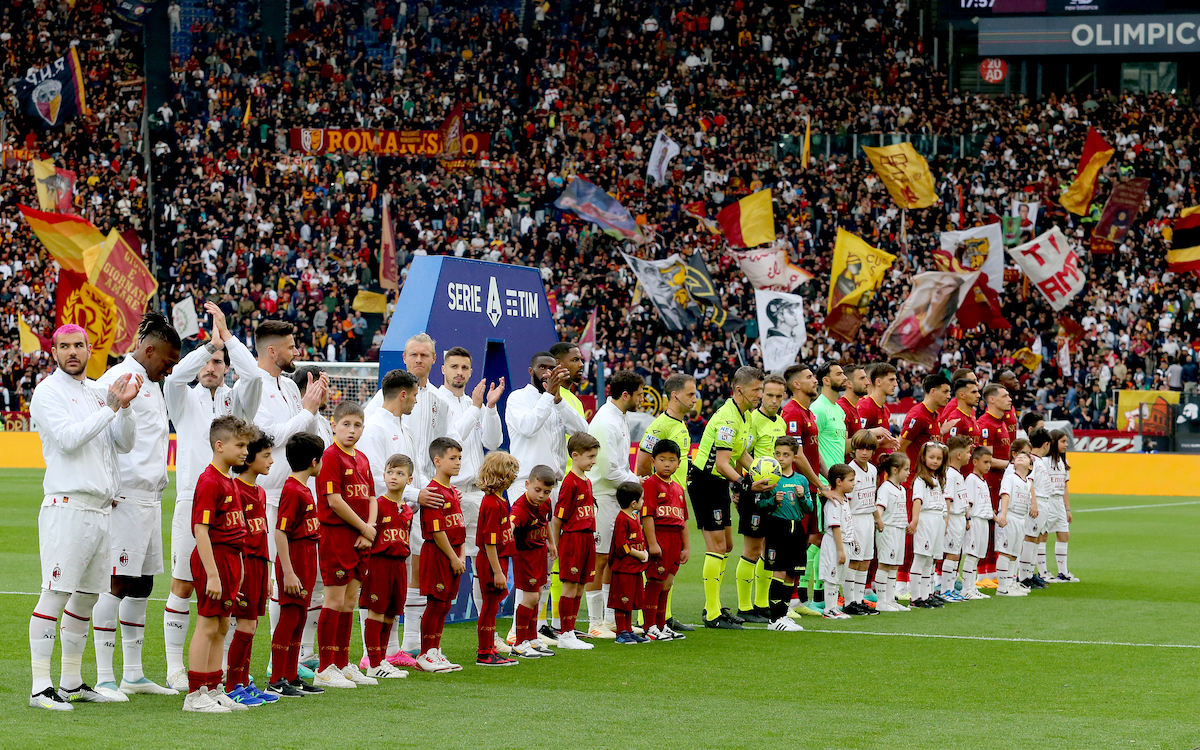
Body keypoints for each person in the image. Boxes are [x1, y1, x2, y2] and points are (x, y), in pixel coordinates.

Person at [27, 324, 141, 711]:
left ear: (90, 349)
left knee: (88, 597)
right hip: (68, 504)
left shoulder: (96, 392)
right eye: (64, 346)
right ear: (54, 352)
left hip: (101, 509)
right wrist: (111, 407)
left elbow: (124, 443)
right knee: (56, 593)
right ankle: (41, 687)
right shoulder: (46, 392)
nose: (72, 352)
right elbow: (68, 439)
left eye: (78, 345)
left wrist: (123, 408)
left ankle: (72, 681)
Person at [163, 303, 262, 692]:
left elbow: (253, 374)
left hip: (232, 498)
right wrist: (208, 346)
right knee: (184, 585)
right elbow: (174, 377)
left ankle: (216, 671)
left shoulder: (237, 402)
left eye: (219, 361)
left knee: (229, 587)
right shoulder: (183, 399)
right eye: (209, 360)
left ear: (227, 367)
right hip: (192, 497)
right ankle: (175, 668)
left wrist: (229, 338)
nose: (212, 367)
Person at [92, 313, 181, 701]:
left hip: (150, 498)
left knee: (143, 584)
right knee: (116, 582)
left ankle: (133, 674)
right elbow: (99, 435)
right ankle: (103, 676)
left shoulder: (150, 383)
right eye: (168, 360)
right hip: (124, 495)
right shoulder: (116, 380)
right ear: (148, 350)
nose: (171, 368)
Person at [249, 320, 327, 647]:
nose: (297, 351)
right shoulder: (253, 386)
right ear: (272, 350)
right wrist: (306, 411)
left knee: (302, 576)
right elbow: (268, 437)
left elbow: (299, 435)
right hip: (267, 498)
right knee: (275, 578)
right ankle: (274, 658)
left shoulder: (290, 386)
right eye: (292, 346)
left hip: (297, 493)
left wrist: (309, 412)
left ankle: (297, 657)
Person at [357, 368, 439, 667]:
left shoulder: (404, 427)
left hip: (403, 517)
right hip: (378, 517)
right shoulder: (375, 426)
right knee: (376, 586)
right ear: (403, 394)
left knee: (394, 584)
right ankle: (371, 654)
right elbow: (375, 479)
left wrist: (412, 500)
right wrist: (415, 495)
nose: (417, 401)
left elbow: (409, 474)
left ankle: (390, 650)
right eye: (415, 395)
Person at [505, 350, 589, 644]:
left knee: (543, 566)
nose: (547, 371)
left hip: (550, 489)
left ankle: (533, 631)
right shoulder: (518, 398)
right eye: (542, 366)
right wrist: (547, 396)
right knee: (529, 562)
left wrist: (557, 399)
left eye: (552, 367)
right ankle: (517, 633)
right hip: (524, 487)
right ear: (530, 369)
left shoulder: (556, 400)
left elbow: (583, 431)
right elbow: (527, 428)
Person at [184, 416, 253, 714]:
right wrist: (213, 575)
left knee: (223, 624)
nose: (245, 452)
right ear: (219, 445)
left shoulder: (229, 480)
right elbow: (201, 530)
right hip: (213, 558)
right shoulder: (210, 480)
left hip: (229, 560)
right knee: (208, 623)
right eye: (240, 445)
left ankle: (212, 688)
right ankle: (195, 693)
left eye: (247, 446)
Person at [689, 366, 767, 629]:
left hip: (718, 482)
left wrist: (762, 472)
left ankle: (714, 605)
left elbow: (742, 455)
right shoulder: (727, 418)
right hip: (705, 481)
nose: (760, 395)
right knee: (717, 547)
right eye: (756, 390)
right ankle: (712, 613)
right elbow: (723, 462)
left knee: (728, 546)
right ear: (739, 390)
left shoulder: (745, 416)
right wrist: (746, 483)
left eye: (761, 389)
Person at [313, 402, 378, 689]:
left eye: (357, 425)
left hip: (362, 538)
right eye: (346, 424)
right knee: (335, 600)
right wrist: (364, 527)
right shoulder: (330, 457)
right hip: (337, 534)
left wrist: (370, 529)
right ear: (333, 425)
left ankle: (342, 663)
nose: (352, 430)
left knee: (350, 602)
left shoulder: (362, 459)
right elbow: (334, 500)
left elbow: (373, 498)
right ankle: (325, 667)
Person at [437, 346, 504, 599]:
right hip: (452, 493)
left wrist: (489, 408)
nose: (459, 372)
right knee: (448, 558)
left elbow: (494, 441)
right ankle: (431, 629)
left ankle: (484, 626)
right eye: (454, 367)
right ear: (443, 369)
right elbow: (451, 441)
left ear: (471, 372)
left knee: (483, 561)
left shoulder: (471, 402)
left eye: (464, 368)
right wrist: (476, 408)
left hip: (478, 493)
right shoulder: (437, 401)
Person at [634, 372, 697, 634]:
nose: (695, 399)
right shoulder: (660, 425)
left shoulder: (680, 424)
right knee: (656, 571)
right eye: (691, 394)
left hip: (675, 502)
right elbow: (641, 464)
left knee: (668, 572)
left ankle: (663, 619)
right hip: (659, 509)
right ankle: (645, 621)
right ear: (675, 395)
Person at [267, 432, 326, 697]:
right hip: (294, 560)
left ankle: (291, 675)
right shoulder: (292, 490)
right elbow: (281, 532)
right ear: (315, 461)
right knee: (289, 618)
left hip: (305, 559)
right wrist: (288, 572)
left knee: (300, 618)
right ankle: (277, 677)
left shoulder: (302, 488)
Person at [586, 370, 644, 639]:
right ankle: (594, 622)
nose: (642, 399)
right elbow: (609, 470)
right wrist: (636, 481)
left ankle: (610, 618)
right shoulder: (606, 421)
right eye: (640, 394)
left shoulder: (619, 417)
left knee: (611, 558)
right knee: (598, 559)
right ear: (626, 395)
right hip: (602, 495)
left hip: (615, 496)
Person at [225, 429, 277, 706]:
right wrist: (241, 571)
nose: (271, 461)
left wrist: (267, 574)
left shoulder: (260, 490)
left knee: (252, 625)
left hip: (259, 566)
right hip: (243, 565)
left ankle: (244, 681)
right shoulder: (235, 489)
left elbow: (262, 534)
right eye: (266, 456)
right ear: (248, 459)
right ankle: (233, 684)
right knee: (244, 626)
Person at [736, 372, 788, 624]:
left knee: (769, 549)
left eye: (779, 396)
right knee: (753, 549)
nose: (774, 400)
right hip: (755, 493)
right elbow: (739, 453)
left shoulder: (781, 423)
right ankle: (744, 607)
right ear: (761, 394)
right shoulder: (752, 420)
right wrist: (739, 488)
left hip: (774, 494)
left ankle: (761, 603)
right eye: (769, 395)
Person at [358, 453, 415, 679]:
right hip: (379, 564)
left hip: (399, 565)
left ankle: (382, 660)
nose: (394, 477)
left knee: (391, 613)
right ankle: (373, 663)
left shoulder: (408, 511)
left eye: (400, 473)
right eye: (390, 472)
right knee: (376, 612)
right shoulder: (378, 505)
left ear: (409, 480)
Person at [416, 437, 468, 673]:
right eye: (452, 458)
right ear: (437, 461)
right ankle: (425, 653)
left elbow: (459, 526)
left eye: (459, 458)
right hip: (439, 554)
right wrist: (453, 558)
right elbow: (437, 531)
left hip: (454, 553)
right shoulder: (433, 492)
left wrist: (462, 554)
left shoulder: (453, 491)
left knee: (445, 604)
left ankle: (435, 650)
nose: (458, 463)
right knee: (436, 603)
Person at [781, 363, 830, 608]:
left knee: (810, 540)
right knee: (794, 543)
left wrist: (827, 477)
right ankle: (786, 599)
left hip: (809, 488)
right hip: (796, 490)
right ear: (796, 384)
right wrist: (818, 482)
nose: (815, 380)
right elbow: (797, 455)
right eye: (810, 377)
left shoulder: (808, 412)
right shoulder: (791, 412)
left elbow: (814, 452)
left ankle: (797, 597)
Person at [551, 432, 601, 650]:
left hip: (588, 539)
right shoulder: (570, 482)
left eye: (594, 456)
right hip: (573, 539)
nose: (593, 461)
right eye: (590, 457)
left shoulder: (587, 481)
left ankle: (570, 631)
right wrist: (555, 544)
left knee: (580, 587)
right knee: (570, 587)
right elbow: (558, 517)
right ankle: (564, 634)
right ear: (575, 455)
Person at [640, 439, 689, 641]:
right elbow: (647, 516)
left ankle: (661, 625)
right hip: (660, 537)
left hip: (675, 539)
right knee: (654, 581)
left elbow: (683, 520)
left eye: (671, 460)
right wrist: (652, 543)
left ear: (678, 463)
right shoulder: (651, 485)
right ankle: (649, 625)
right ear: (653, 461)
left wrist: (686, 546)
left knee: (667, 582)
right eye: (662, 459)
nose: (667, 464)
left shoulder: (678, 488)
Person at [473, 451, 520, 667]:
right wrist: (498, 572)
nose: (513, 476)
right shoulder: (492, 503)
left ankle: (490, 647)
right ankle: (484, 652)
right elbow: (489, 541)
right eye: (511, 471)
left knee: (493, 606)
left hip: (499, 559)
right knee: (489, 606)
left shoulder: (499, 500)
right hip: (492, 560)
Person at [761, 436, 812, 631]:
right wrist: (773, 500)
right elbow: (761, 505)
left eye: (785, 455)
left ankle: (783, 614)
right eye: (777, 454)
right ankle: (774, 620)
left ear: (794, 456)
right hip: (777, 527)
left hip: (797, 529)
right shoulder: (771, 479)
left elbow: (808, 507)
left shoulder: (801, 480)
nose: (781, 458)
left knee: (792, 573)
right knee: (779, 571)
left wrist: (801, 496)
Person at [510, 466, 558, 659]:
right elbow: (511, 527)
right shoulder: (520, 508)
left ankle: (531, 638)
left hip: (539, 553)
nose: (541, 495)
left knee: (537, 596)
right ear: (527, 484)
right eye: (537, 490)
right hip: (525, 556)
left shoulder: (545, 504)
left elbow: (545, 522)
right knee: (529, 598)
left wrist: (551, 543)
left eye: (546, 492)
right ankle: (519, 642)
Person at [977, 383, 1014, 586]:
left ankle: (992, 571)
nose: (1009, 399)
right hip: (989, 483)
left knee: (996, 527)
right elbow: (986, 459)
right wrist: (1013, 464)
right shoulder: (986, 424)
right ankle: (982, 573)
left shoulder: (1000, 423)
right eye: (1005, 395)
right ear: (992, 399)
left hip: (1001, 483)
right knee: (987, 526)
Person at [907, 442, 948, 609]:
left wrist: (944, 522)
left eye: (939, 458)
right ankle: (915, 597)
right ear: (923, 458)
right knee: (921, 557)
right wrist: (915, 520)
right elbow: (917, 500)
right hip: (926, 520)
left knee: (931, 560)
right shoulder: (920, 480)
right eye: (932, 457)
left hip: (937, 520)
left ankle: (927, 594)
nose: (935, 461)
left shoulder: (937, 479)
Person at [609, 482, 650, 645]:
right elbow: (622, 545)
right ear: (634, 503)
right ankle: (621, 632)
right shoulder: (622, 519)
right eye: (642, 499)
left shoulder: (633, 516)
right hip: (624, 568)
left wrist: (644, 552)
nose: (643, 502)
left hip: (634, 568)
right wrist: (639, 554)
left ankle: (629, 629)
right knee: (622, 601)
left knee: (632, 599)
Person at [845, 430, 879, 614]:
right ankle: (849, 601)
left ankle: (859, 600)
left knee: (865, 561)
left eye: (868, 449)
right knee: (854, 562)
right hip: (855, 519)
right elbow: (848, 502)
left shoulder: (873, 470)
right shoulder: (850, 470)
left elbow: (871, 497)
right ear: (854, 449)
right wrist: (848, 526)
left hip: (868, 520)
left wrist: (878, 519)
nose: (864, 452)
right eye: (860, 448)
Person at [874, 453, 911, 612]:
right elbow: (879, 507)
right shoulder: (885, 487)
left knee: (894, 565)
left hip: (899, 530)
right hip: (888, 530)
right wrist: (879, 521)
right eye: (906, 469)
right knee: (885, 564)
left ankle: (890, 600)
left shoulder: (902, 489)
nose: (909, 472)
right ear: (895, 470)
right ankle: (881, 601)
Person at [819, 465, 857, 620]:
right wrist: (840, 550)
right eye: (851, 480)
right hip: (834, 544)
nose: (854, 483)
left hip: (844, 543)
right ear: (839, 482)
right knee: (832, 576)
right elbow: (835, 527)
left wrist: (852, 537)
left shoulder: (845, 498)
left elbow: (846, 521)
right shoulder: (833, 502)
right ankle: (829, 610)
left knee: (839, 577)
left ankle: (834, 607)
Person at [996, 451, 1034, 597]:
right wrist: (1003, 514)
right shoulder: (1010, 478)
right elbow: (1006, 495)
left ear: (1030, 466)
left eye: (1025, 457)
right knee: (1006, 552)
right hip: (1010, 517)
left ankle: (1011, 583)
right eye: (1018, 456)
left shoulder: (1027, 483)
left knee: (1014, 553)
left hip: (1020, 520)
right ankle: (1002, 587)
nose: (1020, 457)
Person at [939, 436, 973, 601]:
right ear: (958, 455)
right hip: (952, 519)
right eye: (968, 452)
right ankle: (945, 590)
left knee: (956, 555)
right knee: (951, 554)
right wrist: (946, 521)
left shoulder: (958, 474)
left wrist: (966, 518)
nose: (970, 455)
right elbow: (948, 499)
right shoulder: (950, 474)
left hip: (960, 519)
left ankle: (950, 589)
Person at [961, 446, 995, 600]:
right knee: (971, 555)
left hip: (984, 522)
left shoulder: (983, 480)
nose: (988, 465)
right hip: (975, 521)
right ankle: (966, 589)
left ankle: (972, 587)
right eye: (985, 462)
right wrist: (967, 520)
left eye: (990, 462)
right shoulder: (971, 479)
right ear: (975, 462)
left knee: (977, 556)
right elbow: (968, 503)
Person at [1044, 429, 1079, 582]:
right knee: (1041, 536)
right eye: (1063, 441)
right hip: (1047, 501)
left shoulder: (1064, 463)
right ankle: (1043, 572)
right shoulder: (1044, 462)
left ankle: (1063, 572)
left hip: (1059, 503)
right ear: (1053, 442)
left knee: (1064, 535)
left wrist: (1068, 509)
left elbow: (1065, 487)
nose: (1066, 444)